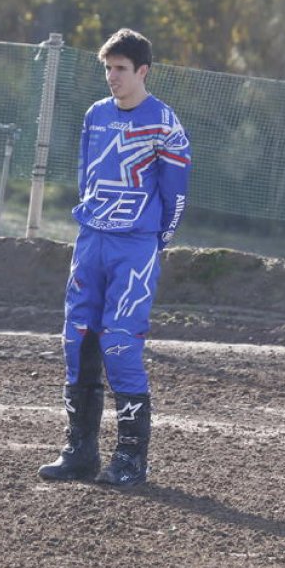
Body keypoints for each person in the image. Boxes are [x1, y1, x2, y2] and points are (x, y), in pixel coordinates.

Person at [38, 28, 191, 487]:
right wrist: (93, 227)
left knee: (120, 344)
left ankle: (130, 459)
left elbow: (176, 195)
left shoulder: (164, 123)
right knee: (77, 340)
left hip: (136, 247)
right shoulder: (95, 115)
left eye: (121, 69)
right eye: (108, 68)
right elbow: (86, 175)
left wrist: (153, 242)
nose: (112, 77)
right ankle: (80, 451)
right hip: (91, 242)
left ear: (142, 71)